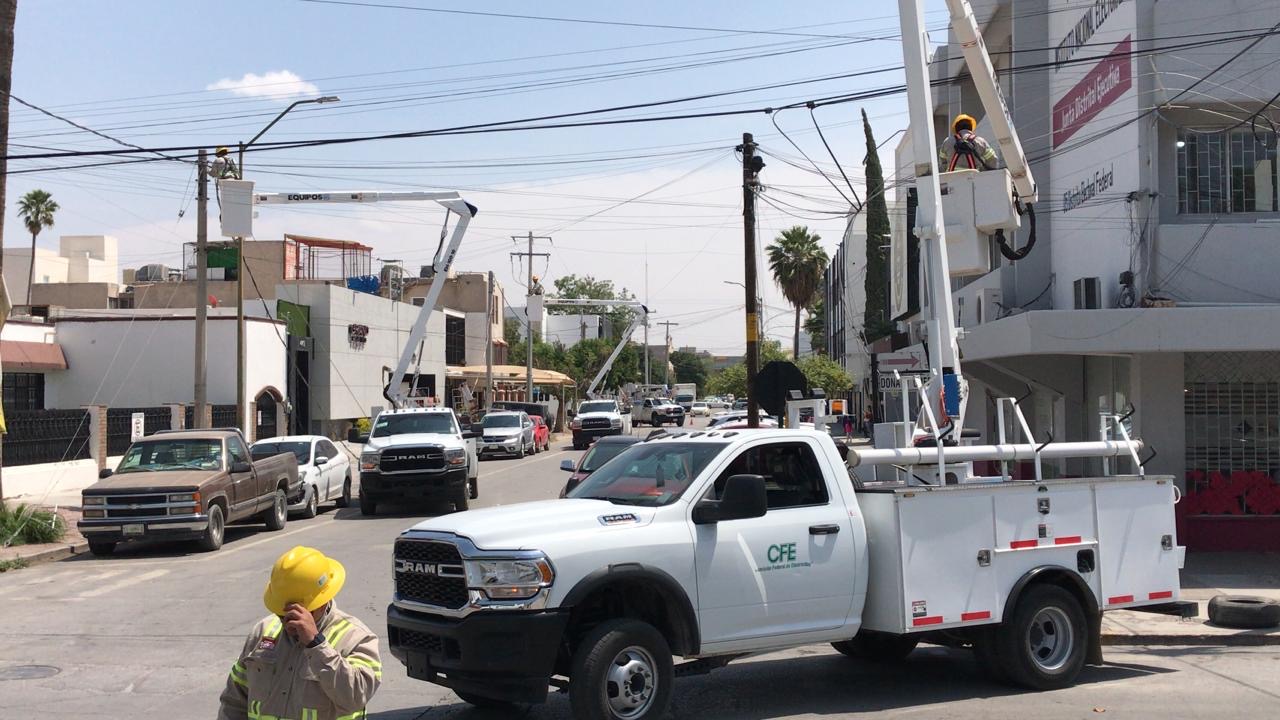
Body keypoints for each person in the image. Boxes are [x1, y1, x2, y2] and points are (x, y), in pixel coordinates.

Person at [217, 546, 381, 720]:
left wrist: (317, 645)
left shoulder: (356, 638)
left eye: (294, 613)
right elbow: (234, 700)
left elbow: (355, 697)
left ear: (320, 603)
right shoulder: (263, 632)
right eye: (281, 614)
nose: (287, 622)